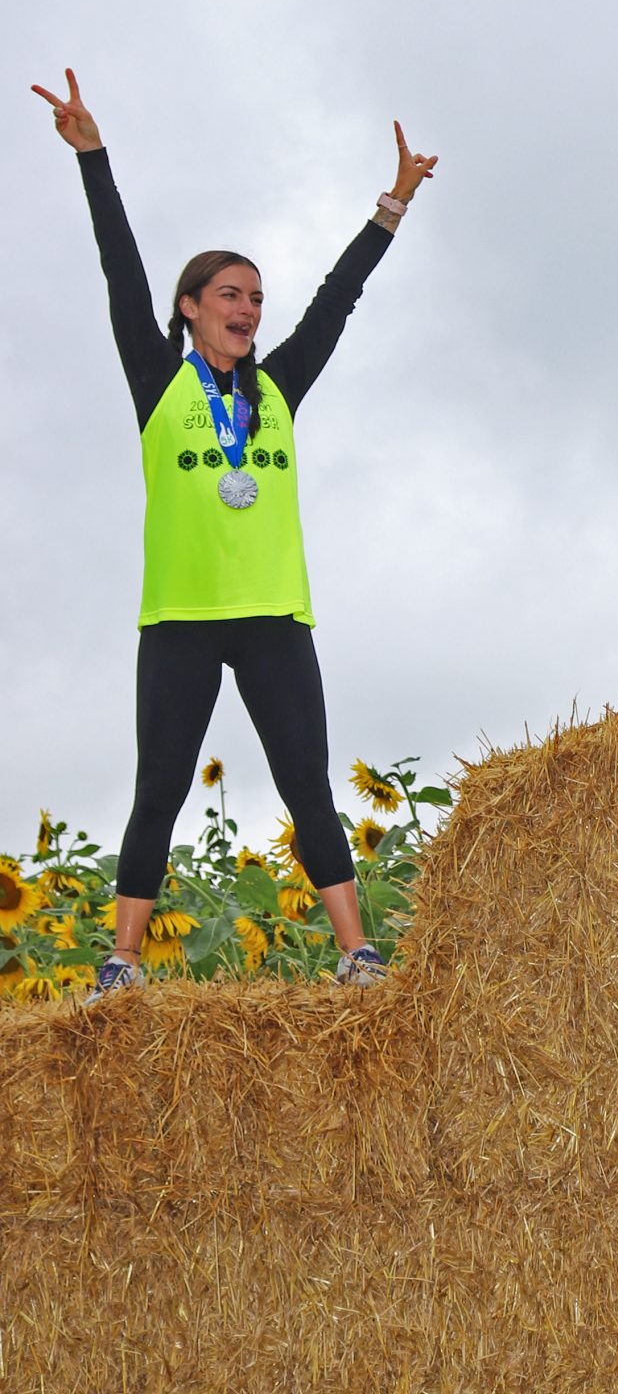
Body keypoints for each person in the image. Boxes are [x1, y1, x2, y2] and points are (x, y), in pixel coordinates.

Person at [31, 66, 438, 998]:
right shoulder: (157, 382)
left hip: (272, 616)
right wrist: (93, 157)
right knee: (160, 791)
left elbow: (337, 299)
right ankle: (122, 963)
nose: (248, 309)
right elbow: (120, 268)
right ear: (191, 308)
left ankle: (358, 955)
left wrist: (393, 206)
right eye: (229, 294)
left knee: (308, 786)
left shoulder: (279, 387)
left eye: (255, 297)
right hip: (179, 615)